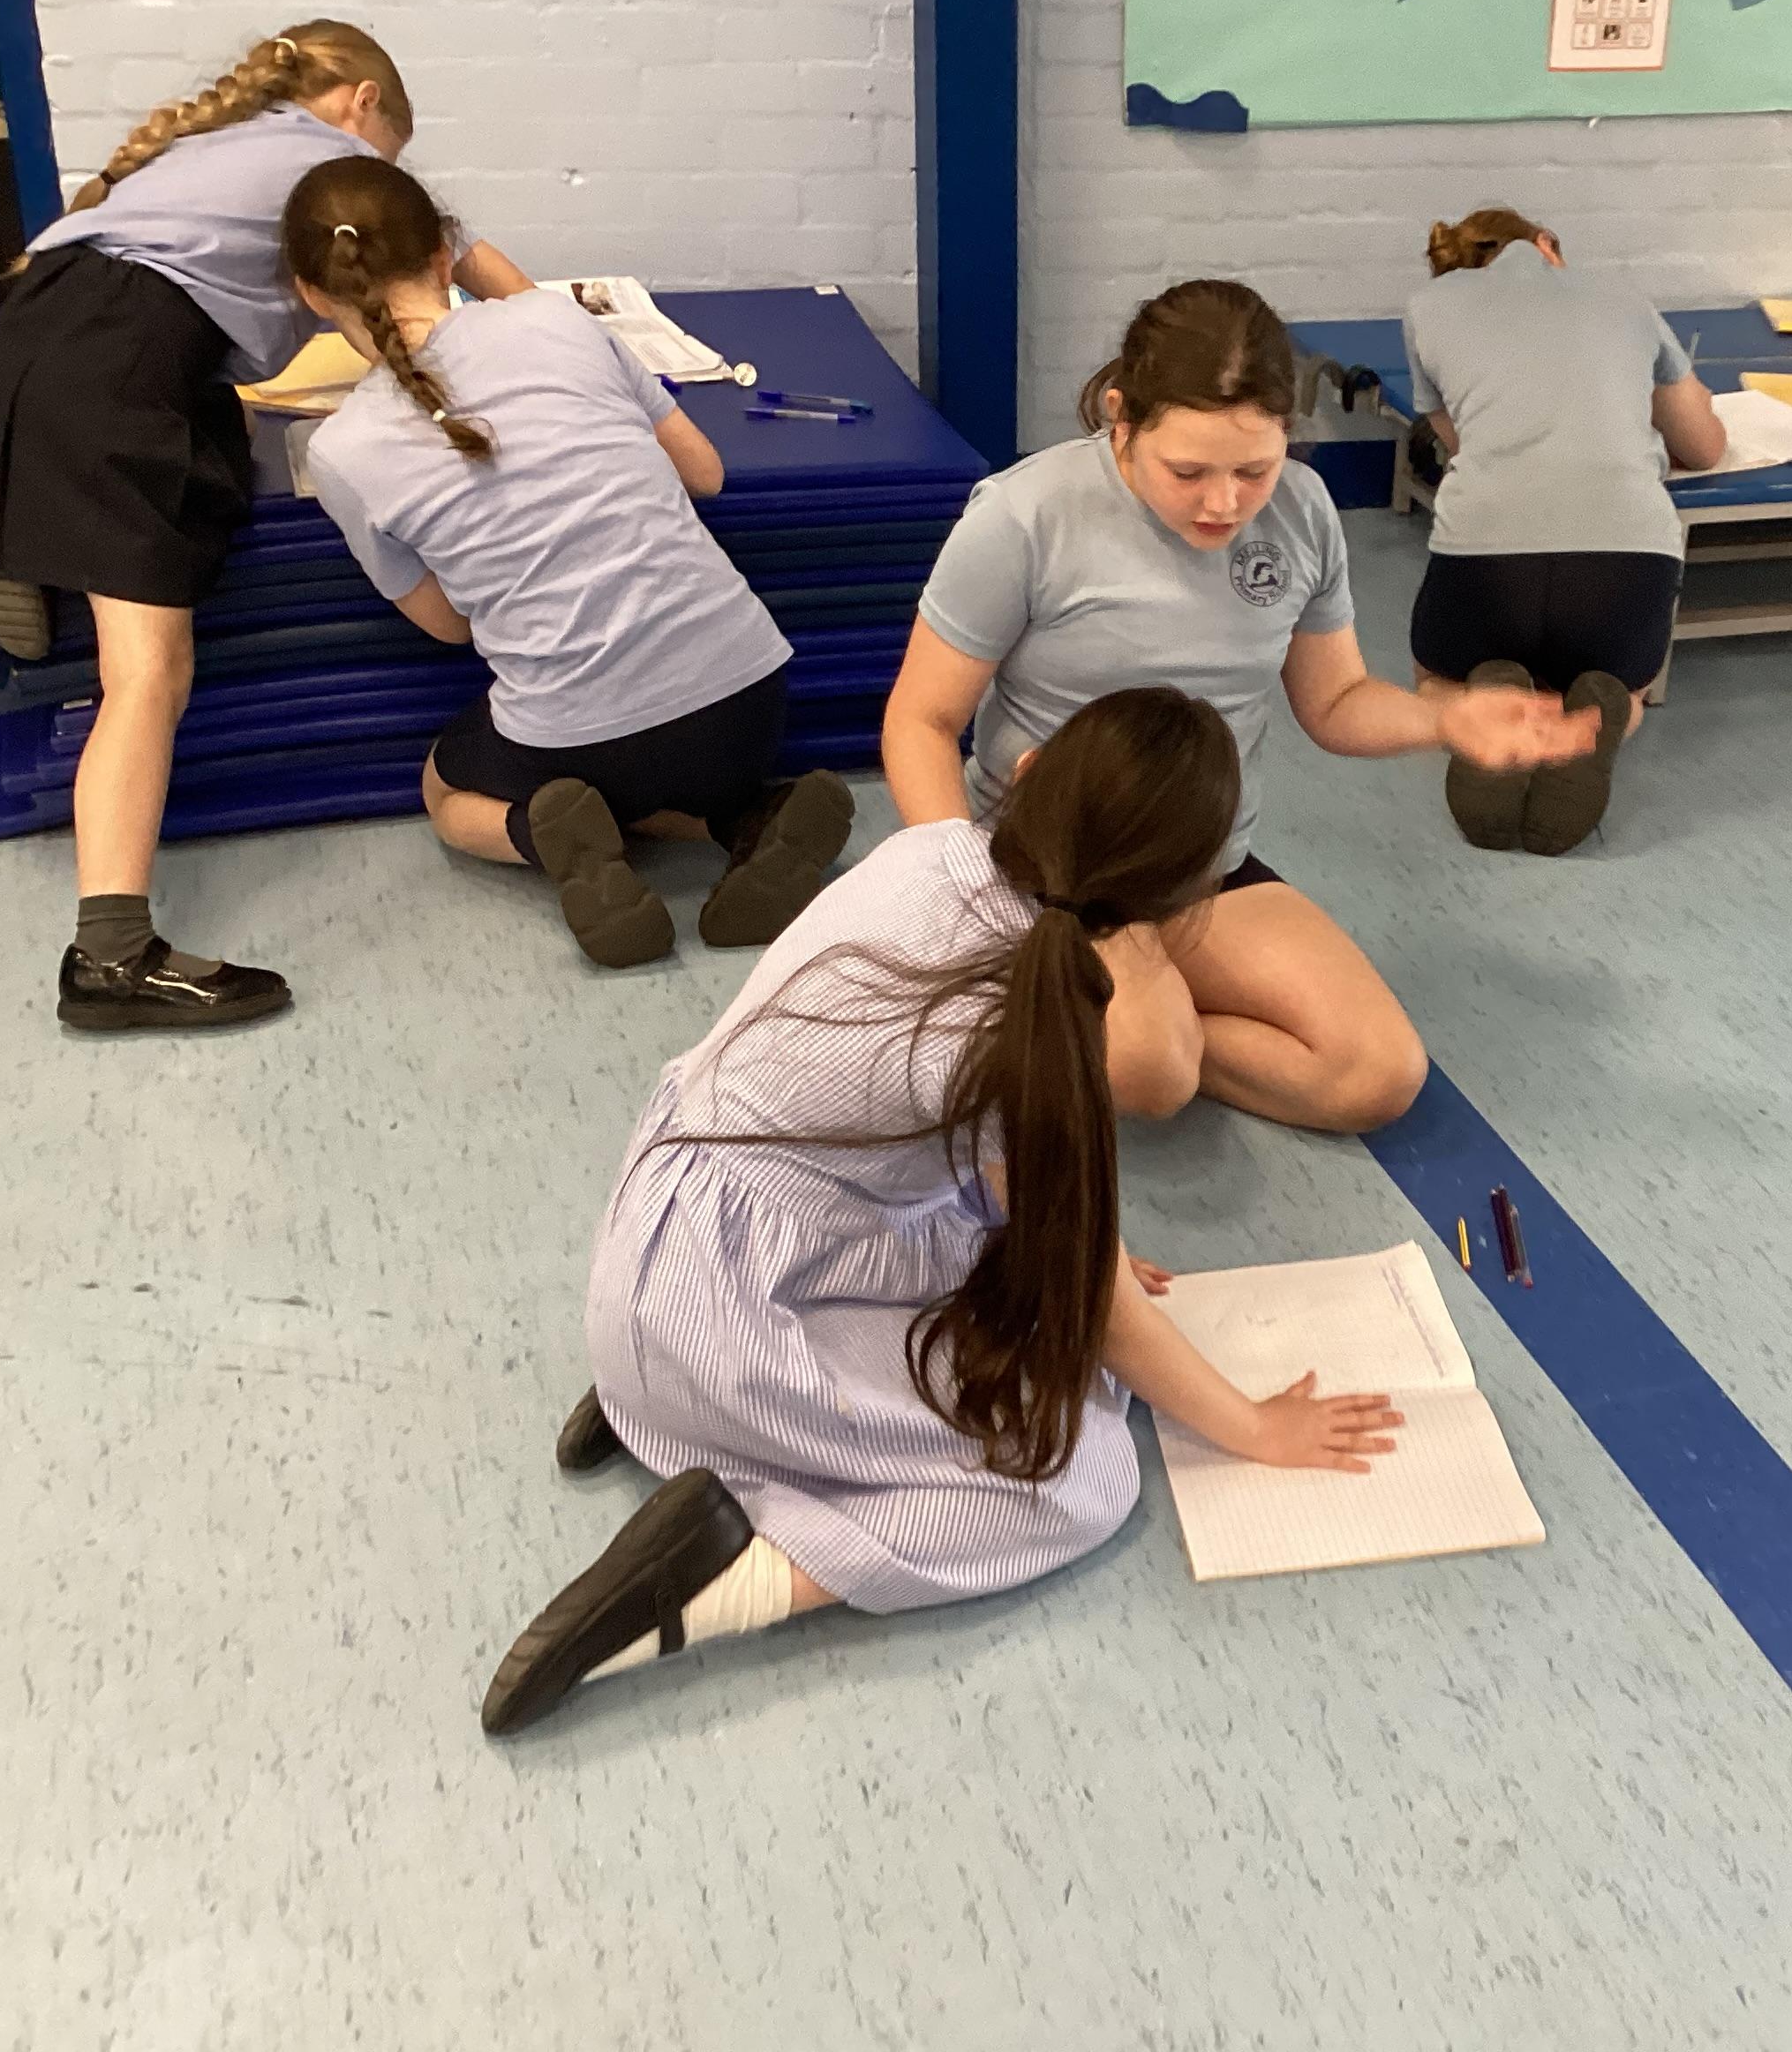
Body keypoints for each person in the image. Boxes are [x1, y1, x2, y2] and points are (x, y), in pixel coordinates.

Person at [480, 688, 1404, 1735]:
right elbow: (1097, 1308)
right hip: (723, 1305)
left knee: (1019, 1283)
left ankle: (653, 1400)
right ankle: (727, 1573)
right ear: (1178, 908)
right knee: (1083, 1475)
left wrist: (1081, 1250)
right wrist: (1249, 1425)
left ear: (1029, 776)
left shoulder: (934, 852)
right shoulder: (1032, 1027)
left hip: (670, 1220)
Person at [879, 278, 1592, 1135]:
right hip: (1054, 872)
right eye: (1188, 472)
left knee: (1379, 1076)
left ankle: (1097, 1018)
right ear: (1121, 418)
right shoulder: (1025, 517)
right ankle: (1090, 1010)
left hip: (1201, 869)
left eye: (1253, 469)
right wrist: (965, 895)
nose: (1223, 503)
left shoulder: (1302, 512)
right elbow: (920, 721)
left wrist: (1445, 719)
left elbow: (1335, 702)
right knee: (1150, 1070)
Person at [0, 21, 538, 1032]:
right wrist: (558, 340)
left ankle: (26, 545)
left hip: (34, 365)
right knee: (150, 674)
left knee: (221, 447)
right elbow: (452, 256)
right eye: (390, 149)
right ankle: (110, 957)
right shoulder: (328, 158)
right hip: (112, 382)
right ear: (362, 105)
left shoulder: (213, 139)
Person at [287, 156, 851, 968]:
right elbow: (706, 473)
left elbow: (450, 627)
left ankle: (544, 836)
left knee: (448, 792)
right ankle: (753, 819)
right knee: (639, 768)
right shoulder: (557, 320)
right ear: (446, 253)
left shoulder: (342, 449)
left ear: (311, 294)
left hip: (578, 738)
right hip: (749, 700)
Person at [1401, 207, 1726, 854]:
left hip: (1486, 566)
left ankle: (1486, 707)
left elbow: (1462, 443)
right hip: (1625, 560)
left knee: (1436, 681)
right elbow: (1705, 446)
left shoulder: (1426, 309)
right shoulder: (1627, 300)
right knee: (1627, 689)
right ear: (1547, 245)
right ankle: (1600, 717)